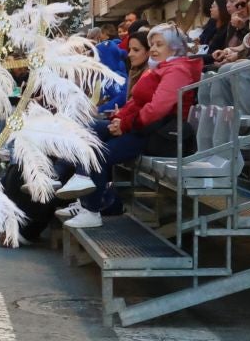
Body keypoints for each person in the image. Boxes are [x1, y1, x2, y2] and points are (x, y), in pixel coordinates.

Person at [63, 23, 203, 229]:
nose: (153, 49)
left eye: (159, 44)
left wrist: (125, 124)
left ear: (173, 47)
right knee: (89, 129)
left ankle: (91, 209)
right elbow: (136, 103)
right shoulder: (161, 68)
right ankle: (80, 183)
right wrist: (118, 120)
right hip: (143, 128)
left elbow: (157, 109)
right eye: (152, 44)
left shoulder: (178, 70)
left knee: (100, 154)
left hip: (160, 135)